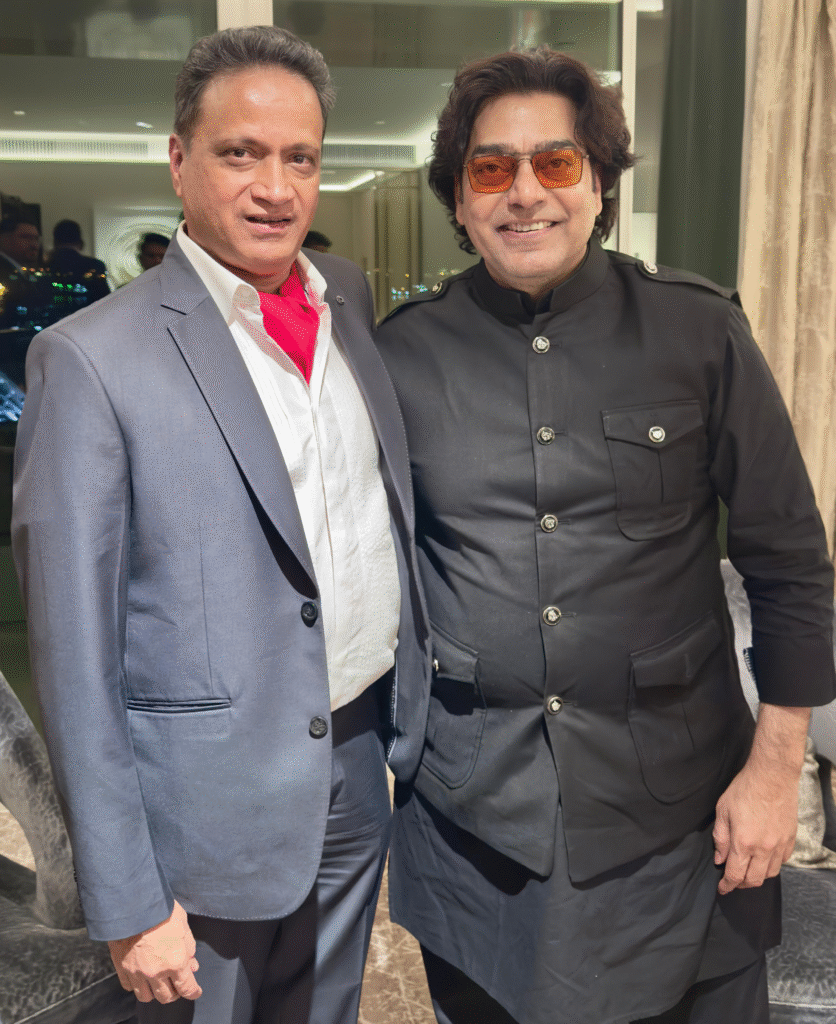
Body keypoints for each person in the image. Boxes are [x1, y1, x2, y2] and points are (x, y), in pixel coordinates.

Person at [375, 47, 836, 1024]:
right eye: (490, 169)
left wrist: (773, 773)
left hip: (682, 814)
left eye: (556, 162)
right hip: (476, 822)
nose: (524, 193)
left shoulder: (699, 332)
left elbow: (790, 564)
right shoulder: (398, 357)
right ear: (457, 197)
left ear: (599, 185)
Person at [13, 25, 429, 1024]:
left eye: (300, 159)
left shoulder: (349, 299)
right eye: (240, 153)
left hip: (353, 765)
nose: (274, 189)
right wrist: (127, 895)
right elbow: (73, 659)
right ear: (178, 160)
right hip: (197, 814)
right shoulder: (89, 358)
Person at [46, 218, 111, 302]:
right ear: (81, 243)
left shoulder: (45, 267)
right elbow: (105, 301)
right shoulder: (96, 266)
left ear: (55, 243)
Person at [0, 216, 41, 281]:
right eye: (25, 237)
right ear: (4, 239)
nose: (34, 245)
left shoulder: (20, 271)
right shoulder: (4, 274)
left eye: (36, 239)